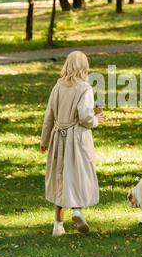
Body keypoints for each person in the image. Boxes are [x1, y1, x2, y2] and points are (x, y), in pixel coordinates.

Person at [40, 51, 103, 237]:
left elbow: (49, 116)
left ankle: (58, 225)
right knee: (77, 174)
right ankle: (76, 210)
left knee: (60, 177)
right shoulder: (85, 88)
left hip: (58, 137)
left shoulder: (58, 86)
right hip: (77, 138)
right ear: (84, 67)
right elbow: (85, 117)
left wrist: (45, 140)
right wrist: (97, 117)